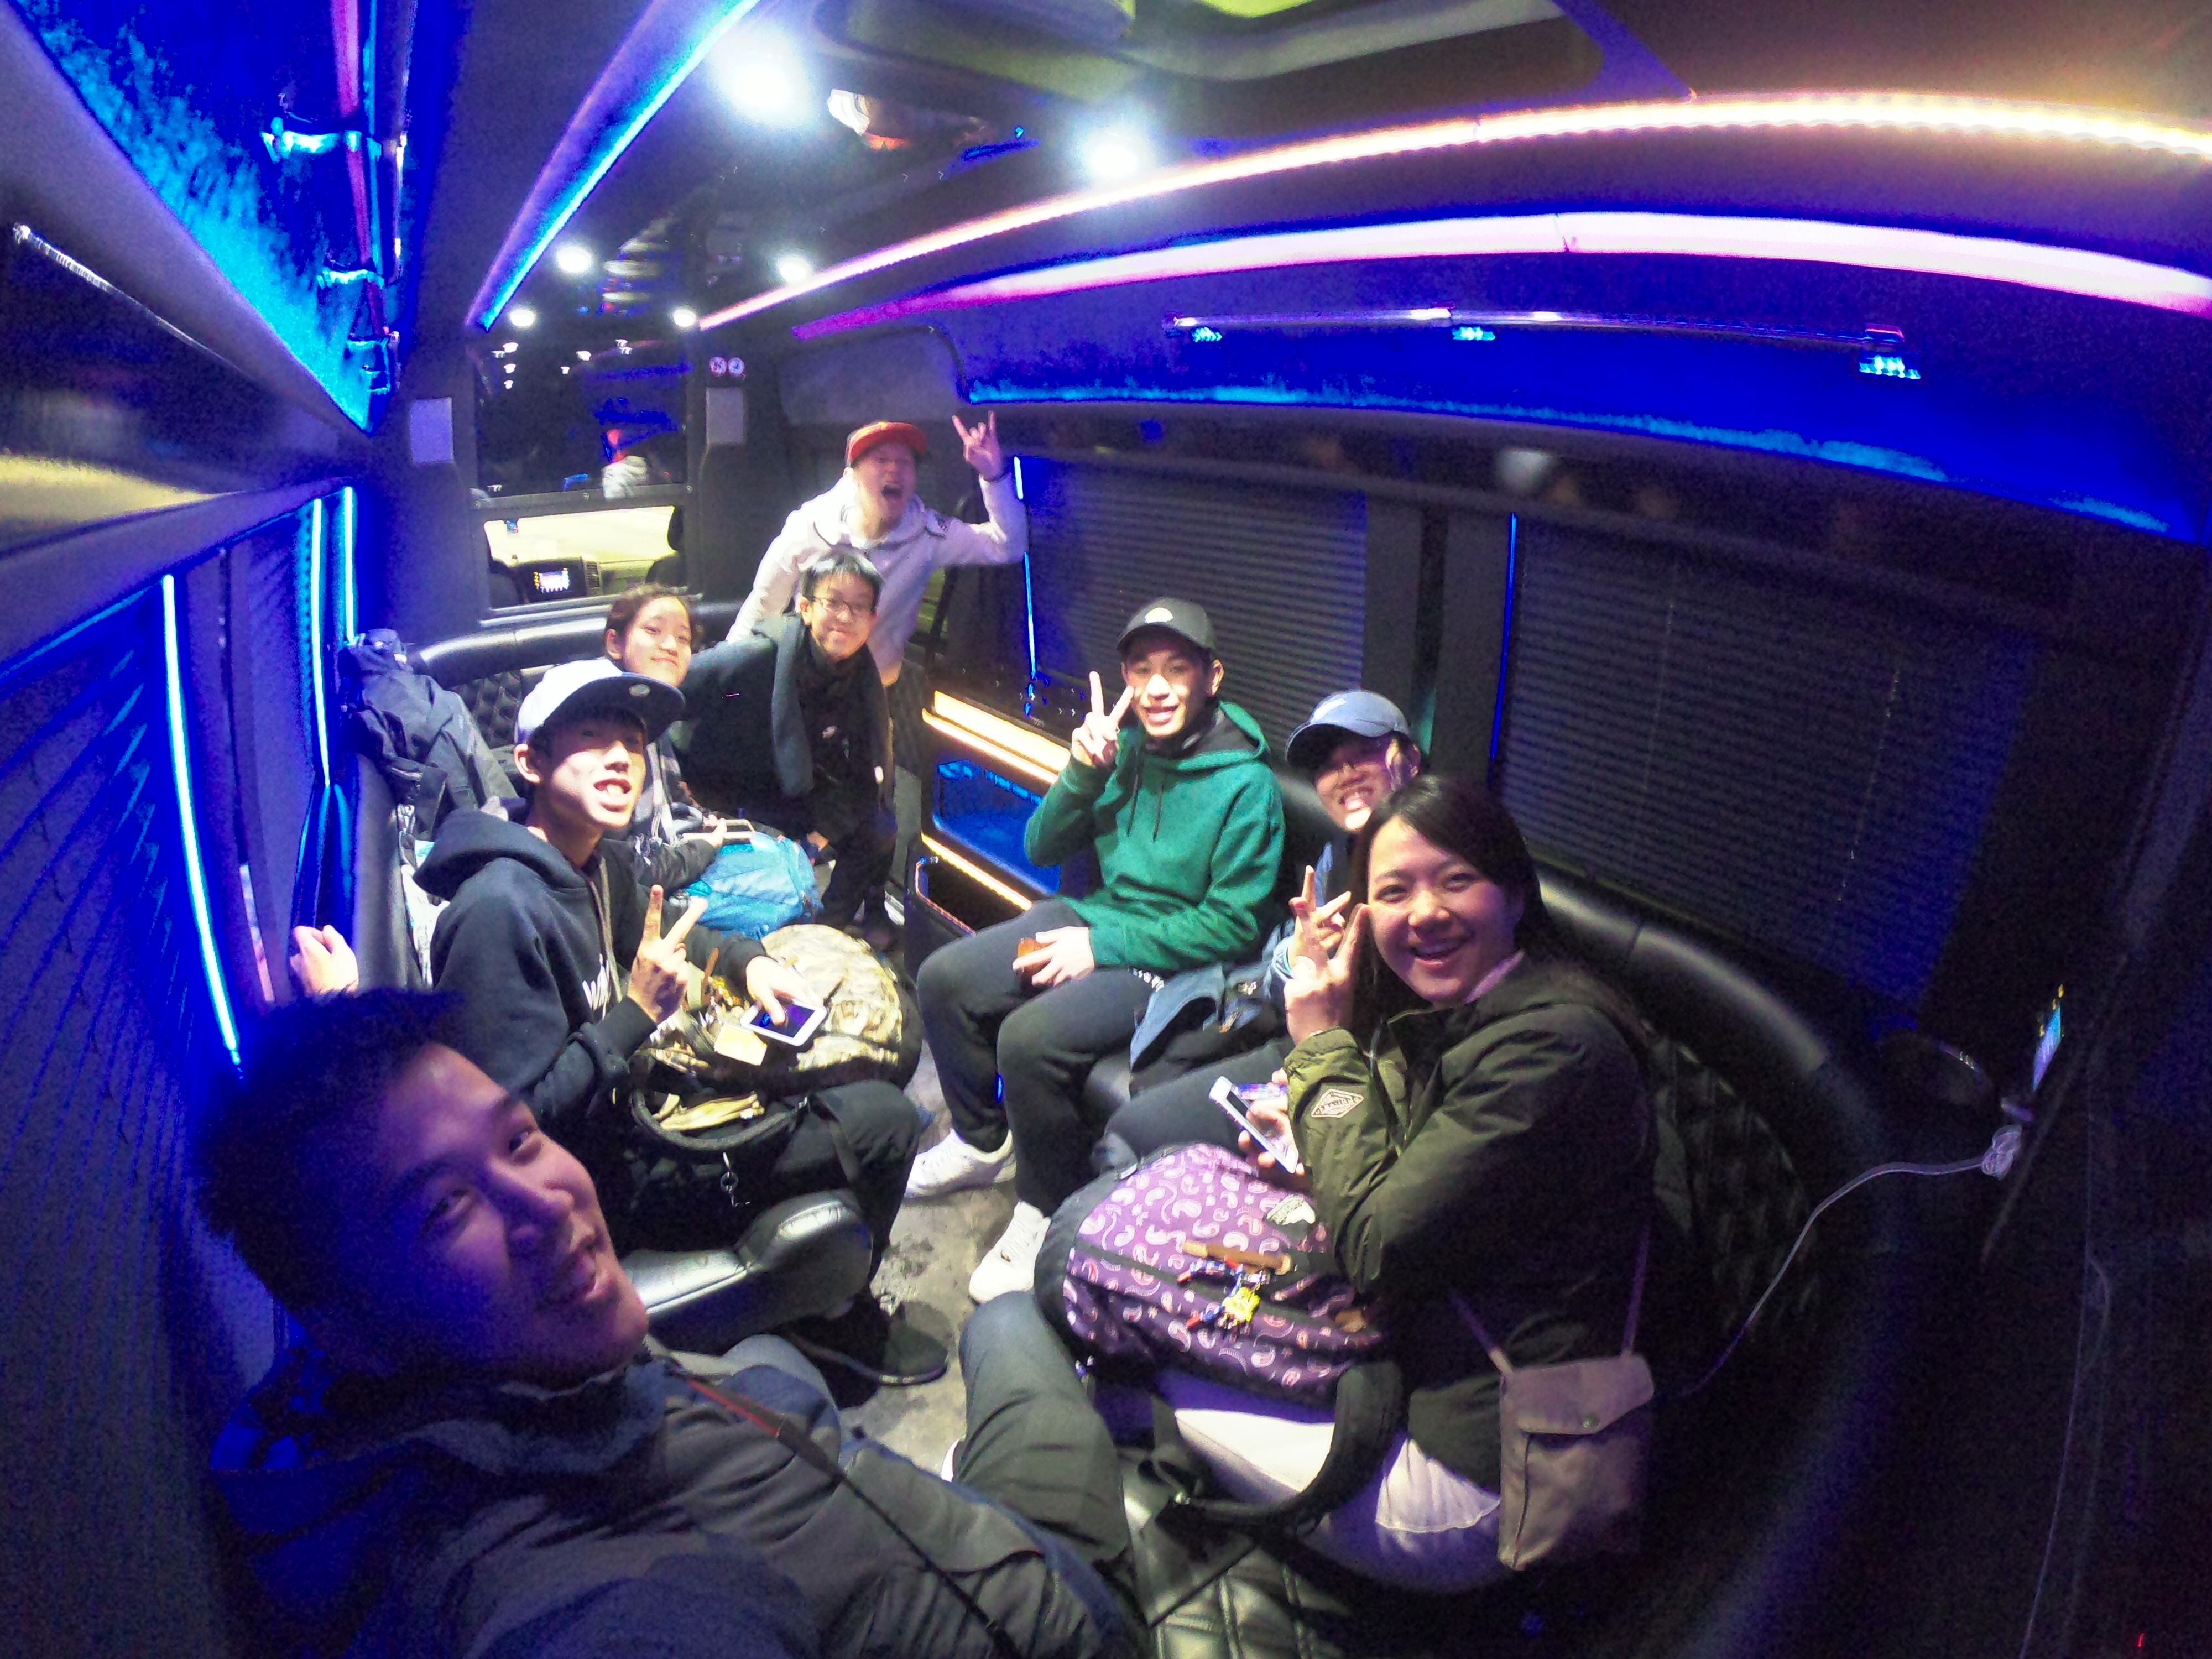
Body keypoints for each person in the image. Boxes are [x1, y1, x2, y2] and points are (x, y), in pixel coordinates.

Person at [194, 991, 1137, 1659]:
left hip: (889, 1519)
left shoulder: (485, 1374)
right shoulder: (572, 1599)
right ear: (347, 1330)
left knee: (772, 1356)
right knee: (1009, 1321)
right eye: (445, 1209)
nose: (546, 1202)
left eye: (518, 1140)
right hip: (1051, 1621)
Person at [1164, 773, 1652, 1592]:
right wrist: (1318, 1129)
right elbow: (1415, 1173)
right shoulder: (1466, 1008)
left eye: (1455, 880)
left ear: (1515, 893)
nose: (1424, 912)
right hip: (1415, 1354)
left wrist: (1319, 1047)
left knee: (1152, 1357)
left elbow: (1375, 1245)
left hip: (1480, 1474)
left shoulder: (1553, 1049)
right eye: (1394, 891)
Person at [415, 657, 943, 1384]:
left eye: (632, 743)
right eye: (591, 737)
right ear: (531, 763)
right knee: (885, 1122)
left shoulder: (591, 864)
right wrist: (637, 1014)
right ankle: (834, 1315)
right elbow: (512, 1132)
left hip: (634, 1110)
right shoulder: (499, 912)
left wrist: (746, 963)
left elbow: (675, 929)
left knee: (843, 1058)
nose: (619, 758)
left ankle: (816, 1278)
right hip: (608, 1183)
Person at [912, 599, 1285, 1302]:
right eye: (1141, 671)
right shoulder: (1124, 749)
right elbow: (1039, 846)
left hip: (1179, 962)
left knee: (1027, 1040)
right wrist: (1083, 770)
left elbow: (1233, 926)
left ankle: (1043, 1207)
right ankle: (981, 1141)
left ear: (1212, 678)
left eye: (1176, 670)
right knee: (943, 979)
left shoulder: (1248, 785)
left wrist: (1101, 944)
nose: (1156, 688)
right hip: (1098, 917)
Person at [1096, 689, 1422, 1169]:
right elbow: (1280, 983)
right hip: (1312, 1043)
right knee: (1132, 1126)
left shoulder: (1435, 859)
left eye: (1363, 753)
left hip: (1373, 1072)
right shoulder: (1336, 858)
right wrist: (1299, 956)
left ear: (1408, 761)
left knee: (1136, 1134)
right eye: (1329, 765)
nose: (1346, 773)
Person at [680, 552, 898, 942]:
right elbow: (674, 686)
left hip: (793, 789)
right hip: (726, 793)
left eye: (859, 607)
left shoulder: (863, 682)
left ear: (872, 620)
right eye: (833, 602)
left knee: (880, 826)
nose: (845, 617)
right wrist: (675, 782)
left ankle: (823, 933)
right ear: (806, 608)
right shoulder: (756, 658)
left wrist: (820, 836)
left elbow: (866, 777)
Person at [729, 415, 1023, 686]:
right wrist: (728, 680)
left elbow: (1007, 545)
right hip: (801, 683)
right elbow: (762, 607)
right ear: (851, 477)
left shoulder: (930, 535)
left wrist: (994, 476)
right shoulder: (810, 527)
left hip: (874, 691)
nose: (894, 469)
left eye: (905, 462)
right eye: (880, 460)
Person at [602, 582, 728, 890]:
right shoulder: (607, 726)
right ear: (615, 643)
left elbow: (673, 799)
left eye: (683, 638)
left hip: (666, 859)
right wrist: (703, 849)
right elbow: (629, 872)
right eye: (653, 631)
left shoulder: (655, 714)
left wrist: (704, 821)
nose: (671, 646)